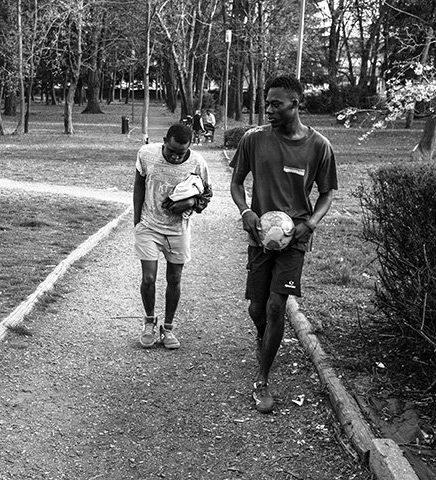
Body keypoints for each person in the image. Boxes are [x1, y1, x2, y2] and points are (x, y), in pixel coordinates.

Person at [229, 74, 337, 414]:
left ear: (296, 104)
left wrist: (311, 224)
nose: (269, 109)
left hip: (295, 239)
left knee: (278, 307)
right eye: (267, 103)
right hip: (260, 237)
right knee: (257, 310)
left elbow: (327, 192)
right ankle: (264, 338)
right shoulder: (253, 139)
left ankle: (262, 379)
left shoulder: (319, 146)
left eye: (276, 104)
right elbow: (236, 181)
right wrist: (246, 210)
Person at [133, 123, 212, 349]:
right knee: (148, 278)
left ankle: (167, 328)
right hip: (149, 225)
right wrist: (136, 221)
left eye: (182, 153)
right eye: (172, 151)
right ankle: (149, 323)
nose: (177, 157)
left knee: (174, 279)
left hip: (178, 229)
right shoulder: (146, 154)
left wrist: (190, 202)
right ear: (164, 141)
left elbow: (207, 194)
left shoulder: (198, 163)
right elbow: (138, 185)